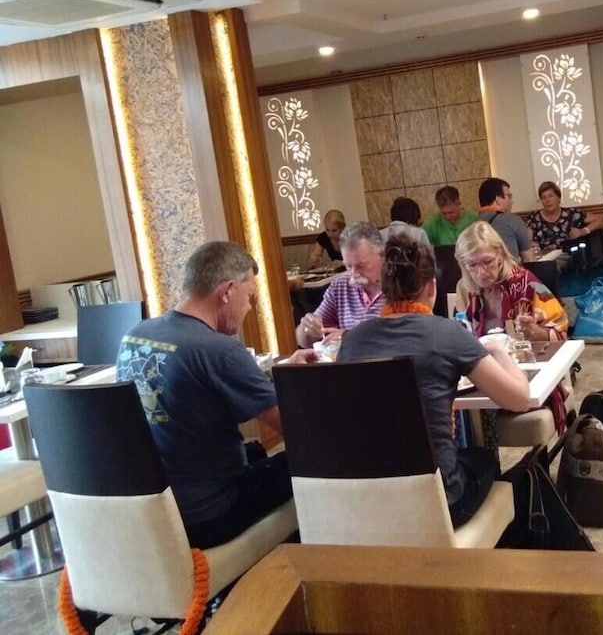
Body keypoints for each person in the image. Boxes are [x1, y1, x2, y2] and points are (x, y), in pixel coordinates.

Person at [116, 241, 318, 548]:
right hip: (210, 513)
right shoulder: (219, 349)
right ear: (227, 292)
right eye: (248, 297)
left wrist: (279, 371)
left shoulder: (135, 335)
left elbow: (189, 385)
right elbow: (295, 430)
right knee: (311, 457)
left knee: (256, 453)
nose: (249, 308)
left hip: (155, 510)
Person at [338, 236, 530, 527]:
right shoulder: (448, 334)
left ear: (383, 288)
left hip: (370, 501)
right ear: (431, 287)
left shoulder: (352, 341)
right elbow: (519, 399)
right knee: (484, 459)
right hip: (440, 503)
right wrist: (499, 352)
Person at [455, 221, 568, 431]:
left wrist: (537, 332)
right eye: (472, 265)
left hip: (524, 378)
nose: (481, 272)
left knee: (468, 419)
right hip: (483, 379)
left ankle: (482, 448)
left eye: (487, 261)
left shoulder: (527, 283)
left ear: (500, 255)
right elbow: (460, 333)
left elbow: (561, 332)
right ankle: (478, 451)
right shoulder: (465, 290)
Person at [296, 221, 386, 348]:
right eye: (348, 266)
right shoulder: (340, 286)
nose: (354, 274)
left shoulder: (400, 285)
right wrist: (307, 329)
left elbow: (404, 337)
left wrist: (349, 337)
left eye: (361, 265)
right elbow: (303, 341)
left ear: (382, 256)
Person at [526, 180, 603, 253]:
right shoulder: (534, 218)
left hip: (568, 255)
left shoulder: (571, 214)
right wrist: (532, 245)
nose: (547, 200)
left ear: (559, 198)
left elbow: (602, 221)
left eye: (551, 196)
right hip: (545, 258)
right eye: (544, 197)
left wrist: (583, 231)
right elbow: (527, 241)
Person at [474, 177, 536, 262]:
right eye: (509, 196)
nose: (512, 201)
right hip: (509, 270)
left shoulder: (468, 227)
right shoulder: (512, 220)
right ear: (497, 199)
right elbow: (529, 259)